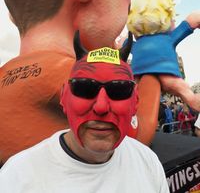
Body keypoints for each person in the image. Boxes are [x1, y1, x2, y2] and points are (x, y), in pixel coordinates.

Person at [0, 0, 134, 164]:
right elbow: (136, 135)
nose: (128, 11)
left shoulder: (6, 74)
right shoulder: (68, 72)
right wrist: (159, 76)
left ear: (12, 15)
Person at [0, 32, 170, 193]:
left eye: (119, 90)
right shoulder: (17, 177)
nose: (101, 107)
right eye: (84, 88)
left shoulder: (148, 162)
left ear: (135, 102)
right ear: (64, 98)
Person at [127, 0, 200, 112]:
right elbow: (191, 21)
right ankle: (193, 100)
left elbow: (125, 45)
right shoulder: (168, 39)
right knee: (183, 90)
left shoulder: (138, 45)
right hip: (167, 75)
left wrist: (121, 42)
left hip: (140, 76)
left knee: (133, 93)